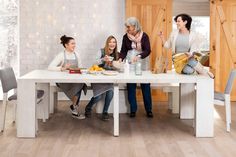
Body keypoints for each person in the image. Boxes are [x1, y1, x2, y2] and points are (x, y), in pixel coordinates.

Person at [158, 13, 214, 78]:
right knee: (189, 70)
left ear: (185, 22)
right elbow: (167, 46)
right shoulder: (174, 34)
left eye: (179, 21)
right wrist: (162, 37)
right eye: (176, 21)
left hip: (189, 59)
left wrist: (191, 54)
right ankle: (205, 73)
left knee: (191, 61)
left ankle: (205, 73)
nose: (176, 23)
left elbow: (193, 49)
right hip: (178, 61)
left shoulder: (193, 35)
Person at [119, 17, 153, 118]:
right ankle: (133, 109)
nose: (127, 29)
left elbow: (148, 50)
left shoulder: (144, 36)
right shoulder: (126, 37)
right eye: (127, 27)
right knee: (131, 86)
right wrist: (121, 58)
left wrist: (138, 56)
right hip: (130, 62)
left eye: (128, 27)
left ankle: (149, 110)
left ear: (135, 26)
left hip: (142, 61)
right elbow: (123, 50)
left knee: (145, 86)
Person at [48, 35, 86, 119]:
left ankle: (74, 106)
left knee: (80, 83)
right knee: (78, 85)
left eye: (74, 43)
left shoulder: (77, 54)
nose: (74, 45)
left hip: (74, 79)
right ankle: (74, 107)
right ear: (66, 45)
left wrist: (80, 70)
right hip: (62, 81)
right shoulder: (61, 55)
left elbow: (80, 67)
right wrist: (63, 68)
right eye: (72, 44)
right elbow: (50, 67)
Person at [85, 35, 119, 121]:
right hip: (98, 77)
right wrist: (103, 59)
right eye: (110, 42)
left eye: (114, 42)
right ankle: (88, 107)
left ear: (116, 44)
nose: (112, 44)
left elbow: (119, 68)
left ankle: (105, 112)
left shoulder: (117, 54)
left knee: (110, 92)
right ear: (107, 43)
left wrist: (116, 64)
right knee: (98, 97)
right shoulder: (101, 51)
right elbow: (93, 63)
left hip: (109, 77)